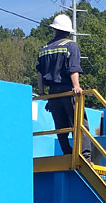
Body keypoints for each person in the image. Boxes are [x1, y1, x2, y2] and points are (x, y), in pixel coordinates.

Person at [36, 13, 91, 162]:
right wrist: (77, 87)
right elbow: (73, 68)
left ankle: (67, 153)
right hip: (68, 91)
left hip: (53, 94)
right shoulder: (70, 46)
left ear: (55, 29)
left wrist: (42, 94)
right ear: (68, 31)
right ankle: (85, 156)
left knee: (61, 126)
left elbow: (40, 74)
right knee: (79, 123)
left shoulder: (44, 49)